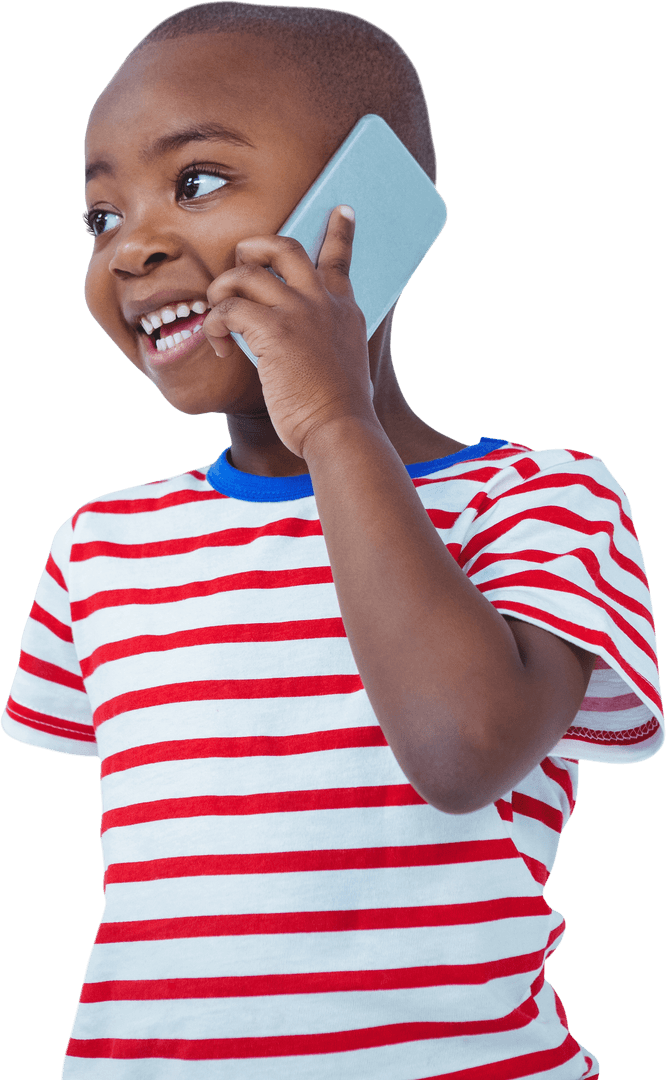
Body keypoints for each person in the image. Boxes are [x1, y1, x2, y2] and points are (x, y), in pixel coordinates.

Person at [2, 3, 662, 1078]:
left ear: (375, 207)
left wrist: (335, 422)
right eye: (100, 216)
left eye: (196, 181)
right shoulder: (100, 545)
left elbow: (464, 751)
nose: (132, 248)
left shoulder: (544, 500)